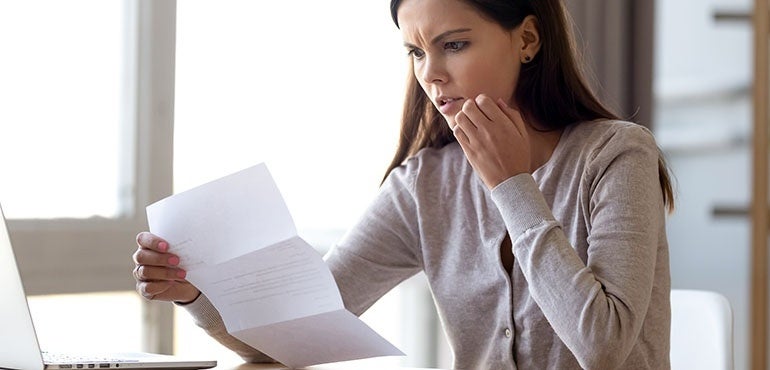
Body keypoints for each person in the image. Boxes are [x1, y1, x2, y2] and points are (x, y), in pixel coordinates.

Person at [132, 0, 674, 368]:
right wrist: (197, 295)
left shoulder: (616, 153)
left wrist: (511, 184)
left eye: (454, 44)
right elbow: (295, 337)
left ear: (527, 39)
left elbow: (602, 348)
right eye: (416, 52)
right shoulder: (425, 185)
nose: (431, 73)